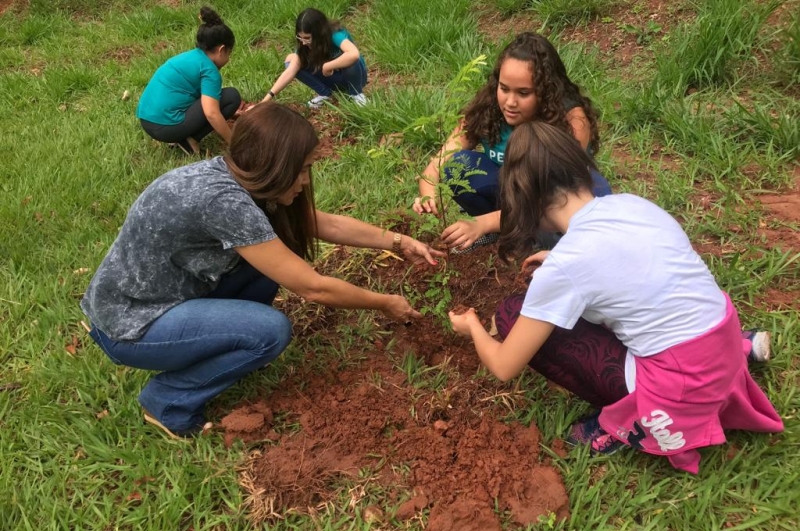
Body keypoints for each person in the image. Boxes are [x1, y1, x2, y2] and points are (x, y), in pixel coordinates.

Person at [82, 103, 443, 439]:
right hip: (132, 324)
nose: (304, 182)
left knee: (277, 257)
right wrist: (385, 302)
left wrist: (397, 241)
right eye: (301, 170)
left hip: (149, 296)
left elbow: (322, 224)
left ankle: (228, 345)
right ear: (275, 167)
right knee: (269, 332)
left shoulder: (236, 177)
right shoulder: (223, 203)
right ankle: (168, 400)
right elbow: (314, 288)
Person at [448, 122, 783, 474]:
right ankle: (742, 350)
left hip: (680, 385)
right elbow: (635, 269)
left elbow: (504, 367)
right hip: (721, 341)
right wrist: (557, 265)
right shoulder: (632, 204)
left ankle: (625, 422)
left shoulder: (567, 264)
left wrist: (471, 326)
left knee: (513, 313)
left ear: (526, 199)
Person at [413, 32, 612, 253]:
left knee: (596, 188)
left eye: (523, 93)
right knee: (459, 165)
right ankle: (505, 233)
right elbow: (437, 164)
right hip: (510, 196)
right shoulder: (488, 108)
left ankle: (561, 246)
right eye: (504, 88)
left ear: (546, 91)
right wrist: (428, 195)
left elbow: (550, 198)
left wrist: (483, 223)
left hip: (552, 204)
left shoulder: (572, 120)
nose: (510, 102)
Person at [136, 6, 241, 155]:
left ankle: (181, 137)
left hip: (147, 119)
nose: (228, 59)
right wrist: (234, 142)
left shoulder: (191, 57)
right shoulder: (210, 71)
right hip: (166, 127)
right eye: (229, 53)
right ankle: (190, 140)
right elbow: (211, 113)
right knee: (231, 97)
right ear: (221, 50)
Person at [260, 7, 368, 109]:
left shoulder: (334, 34)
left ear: (319, 32)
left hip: (354, 77)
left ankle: (356, 94)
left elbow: (354, 54)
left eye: (307, 38)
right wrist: (266, 100)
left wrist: (328, 66)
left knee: (351, 60)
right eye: (300, 37)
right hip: (332, 78)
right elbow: (290, 71)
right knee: (291, 59)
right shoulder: (305, 45)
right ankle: (325, 94)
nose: (303, 42)